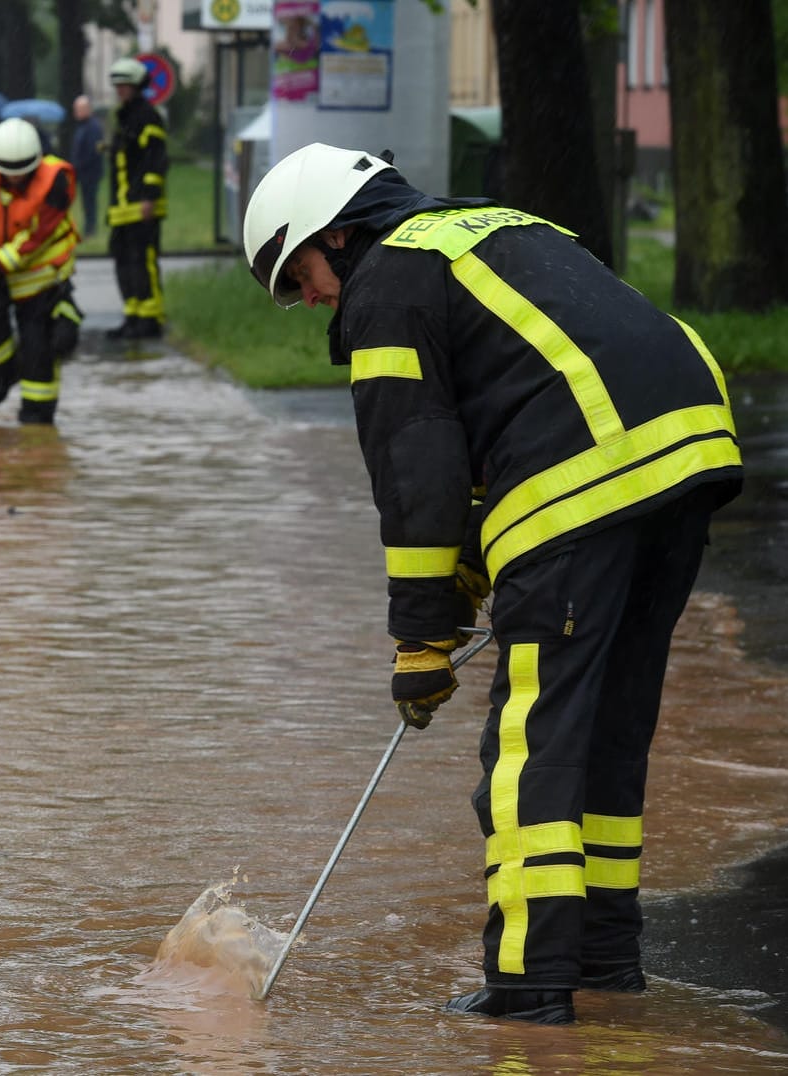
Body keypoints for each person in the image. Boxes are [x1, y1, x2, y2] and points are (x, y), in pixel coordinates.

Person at [242, 143, 744, 1025]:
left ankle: (524, 989)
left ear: (336, 232)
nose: (309, 300)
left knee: (529, 747)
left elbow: (416, 471)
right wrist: (474, 572)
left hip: (585, 477)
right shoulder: (494, 228)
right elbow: (515, 410)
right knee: (606, 734)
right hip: (689, 457)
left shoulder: (387, 283)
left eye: (300, 275)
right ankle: (603, 966)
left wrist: (419, 639)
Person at [0, 118, 83, 426]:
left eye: (21, 174)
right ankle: (2, 376)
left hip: (40, 278)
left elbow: (36, 239)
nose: (14, 180)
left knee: (39, 349)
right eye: (7, 174)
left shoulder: (55, 181)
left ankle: (37, 421)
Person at [104, 57, 169, 340]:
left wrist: (149, 198)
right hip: (122, 208)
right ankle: (132, 315)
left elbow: (157, 159)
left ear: (137, 86)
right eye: (117, 85)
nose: (120, 90)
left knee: (144, 261)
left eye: (125, 85)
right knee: (124, 262)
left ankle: (151, 319)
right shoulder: (124, 118)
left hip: (142, 206)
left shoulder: (147, 117)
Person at [69, 95, 104, 235]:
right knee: (86, 201)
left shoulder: (93, 128)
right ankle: (89, 227)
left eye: (80, 109)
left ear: (88, 109)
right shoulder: (83, 127)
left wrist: (78, 165)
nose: (77, 112)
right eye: (76, 109)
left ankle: (91, 228)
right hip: (83, 173)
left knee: (90, 201)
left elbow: (93, 152)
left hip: (90, 173)